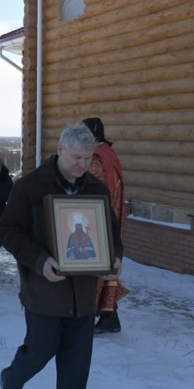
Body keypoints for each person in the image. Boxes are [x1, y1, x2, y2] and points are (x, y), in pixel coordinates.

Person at [0, 123, 123, 389]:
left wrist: (114, 257)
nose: (82, 165)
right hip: (44, 290)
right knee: (40, 351)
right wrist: (39, 261)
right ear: (60, 150)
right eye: (76, 157)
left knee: (77, 363)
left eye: (88, 158)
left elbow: (109, 233)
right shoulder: (30, 186)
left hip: (83, 293)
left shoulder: (96, 189)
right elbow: (8, 230)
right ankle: (12, 378)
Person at [82, 116, 128, 334]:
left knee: (94, 268)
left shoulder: (96, 158)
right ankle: (110, 317)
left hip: (98, 219)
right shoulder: (109, 154)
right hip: (111, 216)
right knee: (106, 266)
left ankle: (89, 317)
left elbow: (90, 190)